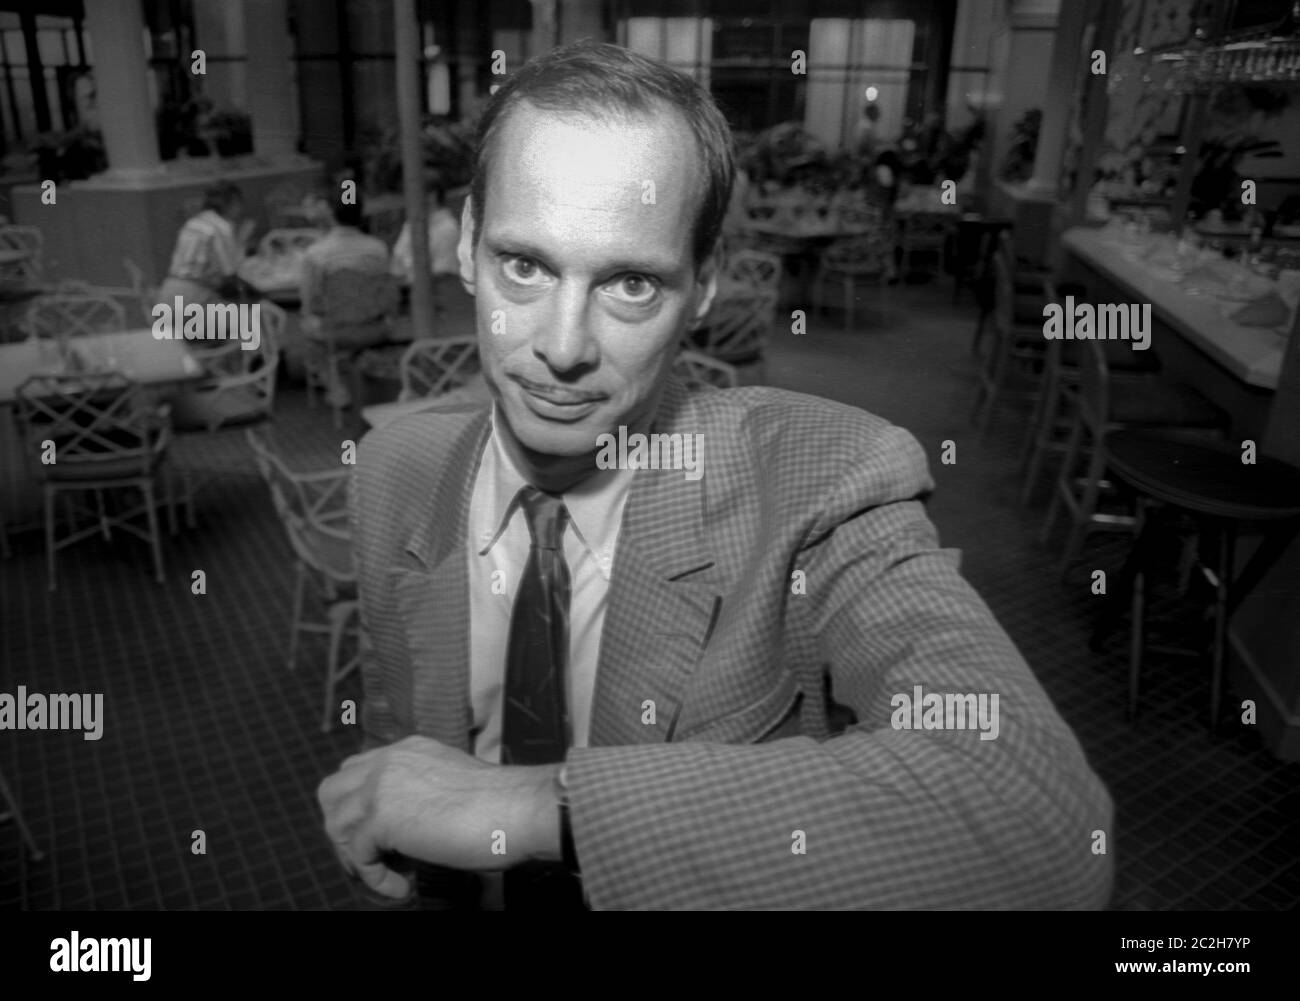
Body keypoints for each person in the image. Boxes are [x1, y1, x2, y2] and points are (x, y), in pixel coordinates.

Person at [318, 40, 1114, 911]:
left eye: (630, 284)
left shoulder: (827, 483)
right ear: (468, 244)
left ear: (702, 286)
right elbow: (400, 746)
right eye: (525, 265)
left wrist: (539, 806)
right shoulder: (394, 467)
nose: (561, 345)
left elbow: (1043, 820)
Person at [299, 194, 394, 408]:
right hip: (376, 327)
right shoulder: (378, 249)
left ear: (332, 215)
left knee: (307, 329)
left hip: (336, 331)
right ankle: (364, 372)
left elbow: (308, 302)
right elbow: (388, 290)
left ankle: (337, 389)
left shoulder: (315, 254)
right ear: (361, 215)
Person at [158, 180, 251, 308]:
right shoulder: (222, 227)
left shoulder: (193, 222)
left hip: (167, 295)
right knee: (246, 321)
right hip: (192, 298)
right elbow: (230, 274)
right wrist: (241, 241)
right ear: (233, 203)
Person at [390, 185, 463, 314]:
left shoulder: (448, 228)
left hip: (429, 298)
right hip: (402, 293)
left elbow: (443, 271)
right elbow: (397, 257)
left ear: (433, 197)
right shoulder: (411, 223)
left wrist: (405, 281)